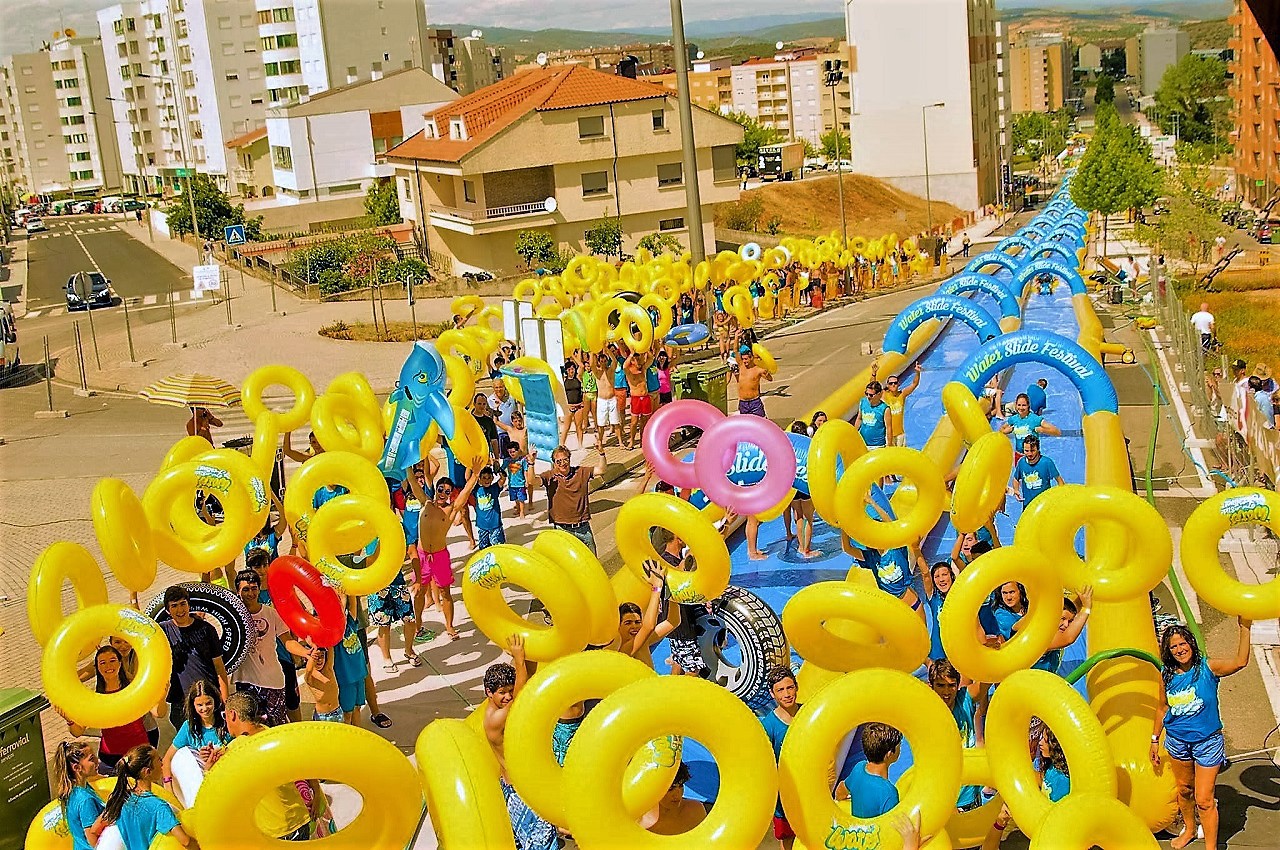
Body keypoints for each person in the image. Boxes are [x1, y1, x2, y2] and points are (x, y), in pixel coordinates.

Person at [1153, 618, 1252, 850]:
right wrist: (1154, 739)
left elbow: (1240, 662)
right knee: (1184, 790)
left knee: (1205, 800)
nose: (1180, 649)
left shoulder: (1207, 668)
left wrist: (1245, 627)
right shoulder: (1165, 674)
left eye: (1183, 643)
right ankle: (1188, 829)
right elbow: (1162, 708)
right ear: (1168, 651)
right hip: (1177, 742)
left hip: (1207, 742)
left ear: (1191, 643)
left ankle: (1211, 847)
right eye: (1174, 646)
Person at [212, 692, 326, 840]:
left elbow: (216, 788)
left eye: (224, 716)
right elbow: (302, 762)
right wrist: (316, 793)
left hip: (276, 830)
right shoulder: (272, 733)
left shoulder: (236, 748)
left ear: (232, 715)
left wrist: (210, 766)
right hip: (299, 818)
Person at [483, 636, 557, 850]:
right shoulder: (494, 719)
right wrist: (518, 659)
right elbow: (522, 694)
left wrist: (526, 654)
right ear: (489, 692)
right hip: (519, 791)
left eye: (509, 691)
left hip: (519, 785)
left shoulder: (497, 708)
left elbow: (522, 682)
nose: (507, 696)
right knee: (538, 843)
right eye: (502, 693)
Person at [231, 569, 314, 724]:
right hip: (245, 684)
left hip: (273, 682)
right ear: (238, 591)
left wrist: (305, 652)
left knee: (277, 727)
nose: (250, 593)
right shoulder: (233, 617)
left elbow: (287, 641)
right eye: (246, 589)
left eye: (254, 588)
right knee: (251, 729)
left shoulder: (271, 613)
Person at [413, 463, 485, 641]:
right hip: (422, 556)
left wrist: (475, 475)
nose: (443, 494)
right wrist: (408, 468)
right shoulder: (426, 503)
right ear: (436, 489)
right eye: (441, 489)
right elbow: (414, 486)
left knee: (445, 592)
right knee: (420, 592)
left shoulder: (451, 510)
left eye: (447, 491)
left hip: (439, 556)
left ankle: (449, 625)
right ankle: (418, 625)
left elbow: (465, 493)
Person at [61, 646, 152, 776]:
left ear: (120, 663)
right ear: (97, 667)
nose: (108, 666)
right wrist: (69, 720)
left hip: (138, 754)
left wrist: (160, 697)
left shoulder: (135, 687)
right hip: (110, 758)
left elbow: (159, 713)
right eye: (102, 663)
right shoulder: (95, 698)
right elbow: (78, 731)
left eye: (113, 660)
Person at [101, 745, 193, 850]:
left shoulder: (122, 799)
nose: (162, 763)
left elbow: (95, 830)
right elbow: (186, 841)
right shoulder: (159, 807)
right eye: (159, 760)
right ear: (147, 771)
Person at [928, 660, 987, 812]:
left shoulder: (964, 699)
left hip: (971, 792)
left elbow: (987, 680)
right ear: (931, 686)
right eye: (940, 685)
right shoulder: (928, 713)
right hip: (947, 799)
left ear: (958, 685)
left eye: (951, 685)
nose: (946, 692)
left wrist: (992, 655)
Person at [760, 667, 802, 848]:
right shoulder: (769, 726)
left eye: (790, 688)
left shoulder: (809, 713)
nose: (787, 694)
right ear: (772, 693)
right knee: (788, 841)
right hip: (784, 794)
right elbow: (765, 765)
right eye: (780, 690)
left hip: (810, 786)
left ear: (796, 687)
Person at [161, 681, 231, 788]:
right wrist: (168, 788)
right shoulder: (189, 728)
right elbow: (167, 759)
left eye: (208, 703)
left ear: (215, 701)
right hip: (201, 786)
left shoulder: (227, 723)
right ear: (193, 705)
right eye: (199, 705)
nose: (204, 709)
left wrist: (222, 752)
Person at [540, 444, 607, 554]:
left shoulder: (581, 472)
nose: (563, 464)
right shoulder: (549, 476)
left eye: (565, 459)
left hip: (583, 528)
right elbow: (532, 481)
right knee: (566, 563)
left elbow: (602, 470)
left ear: (569, 459)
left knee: (592, 561)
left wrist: (601, 453)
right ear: (554, 463)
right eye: (559, 461)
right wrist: (531, 463)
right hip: (562, 529)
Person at [836, 723, 902, 818]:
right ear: (889, 754)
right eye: (899, 745)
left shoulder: (858, 768)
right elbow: (892, 828)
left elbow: (840, 792)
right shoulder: (889, 792)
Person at [51, 740, 107, 850]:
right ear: (77, 768)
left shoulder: (75, 789)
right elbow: (93, 839)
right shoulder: (85, 800)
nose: (97, 761)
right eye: (91, 759)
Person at [1023, 589, 1093, 675]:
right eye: (1063, 619)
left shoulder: (1052, 630)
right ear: (1052, 616)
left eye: (1070, 621)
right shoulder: (1041, 637)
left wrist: (1080, 598)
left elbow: (1068, 612)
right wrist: (1086, 608)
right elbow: (1068, 638)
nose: (1066, 624)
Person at [641, 762, 708, 834]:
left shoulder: (694, 811)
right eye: (670, 789)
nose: (677, 795)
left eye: (681, 786)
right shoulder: (640, 819)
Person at [1010, 435, 1064, 506]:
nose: (1029, 454)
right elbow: (1016, 478)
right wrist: (1016, 490)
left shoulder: (1047, 463)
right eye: (1026, 451)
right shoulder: (1021, 462)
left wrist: (1060, 498)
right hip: (1028, 506)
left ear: (1038, 449)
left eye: (1032, 451)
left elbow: (1060, 482)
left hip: (1044, 505)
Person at [877, 364, 923, 447]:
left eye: (895, 383)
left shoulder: (902, 394)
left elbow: (914, 384)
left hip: (900, 434)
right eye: (891, 383)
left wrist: (917, 373)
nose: (893, 385)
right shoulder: (884, 395)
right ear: (887, 385)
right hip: (888, 435)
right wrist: (874, 373)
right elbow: (873, 386)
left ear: (898, 384)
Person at [470, 464, 508, 549]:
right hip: (482, 525)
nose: (486, 480)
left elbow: (503, 478)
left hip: (495, 525)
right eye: (484, 478)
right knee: (484, 548)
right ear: (479, 479)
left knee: (498, 547)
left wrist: (498, 470)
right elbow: (468, 478)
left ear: (492, 478)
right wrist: (473, 469)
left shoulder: (495, 488)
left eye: (489, 478)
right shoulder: (476, 489)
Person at [303, 645, 342, 722]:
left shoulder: (328, 669)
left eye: (322, 656)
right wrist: (312, 657)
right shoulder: (310, 677)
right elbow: (309, 669)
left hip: (337, 711)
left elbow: (330, 647)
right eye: (316, 657)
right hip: (322, 716)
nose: (319, 660)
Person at [624, 350, 654, 449]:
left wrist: (645, 349)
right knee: (634, 422)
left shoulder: (643, 369)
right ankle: (631, 441)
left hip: (645, 397)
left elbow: (651, 358)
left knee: (645, 420)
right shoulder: (629, 371)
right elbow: (624, 366)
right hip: (636, 398)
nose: (637, 361)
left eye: (638, 358)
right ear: (631, 361)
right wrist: (631, 354)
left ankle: (643, 440)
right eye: (635, 359)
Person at [734, 346, 773, 417]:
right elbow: (735, 350)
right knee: (745, 423)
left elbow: (770, 379)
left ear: (751, 358)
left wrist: (767, 374)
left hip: (754, 402)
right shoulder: (741, 366)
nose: (744, 361)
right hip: (743, 402)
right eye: (743, 359)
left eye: (746, 359)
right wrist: (736, 336)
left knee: (761, 422)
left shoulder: (758, 370)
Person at [853, 381, 894, 448]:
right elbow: (859, 419)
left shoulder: (885, 409)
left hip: (877, 446)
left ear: (879, 394)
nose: (868, 397)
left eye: (871, 395)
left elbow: (888, 428)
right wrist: (854, 434)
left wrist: (889, 445)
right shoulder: (863, 402)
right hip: (863, 443)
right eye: (866, 394)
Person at [561, 359, 587, 448]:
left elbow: (582, 366)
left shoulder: (578, 377)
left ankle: (580, 445)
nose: (571, 370)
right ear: (566, 371)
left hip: (579, 405)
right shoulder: (564, 380)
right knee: (566, 427)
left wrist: (572, 356)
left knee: (579, 426)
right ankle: (561, 444)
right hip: (569, 406)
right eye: (569, 369)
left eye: (572, 368)